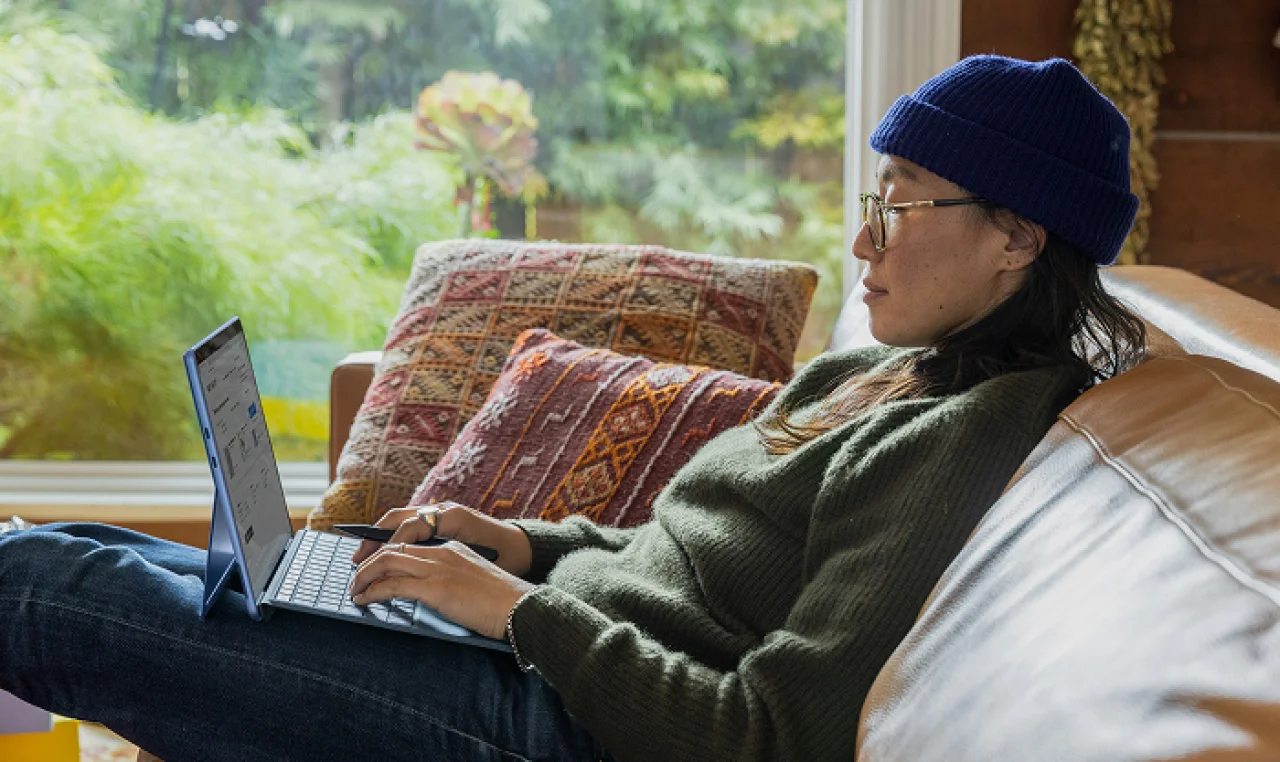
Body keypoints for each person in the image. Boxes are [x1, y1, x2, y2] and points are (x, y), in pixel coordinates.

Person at [0, 55, 1147, 761]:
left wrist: (516, 611)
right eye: (870, 199)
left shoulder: (966, 437)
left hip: (555, 726)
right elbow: (679, 570)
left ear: (1016, 237)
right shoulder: (874, 375)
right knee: (97, 551)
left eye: (900, 206)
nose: (861, 240)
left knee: (40, 588)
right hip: (534, 658)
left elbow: (770, 737)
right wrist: (519, 546)